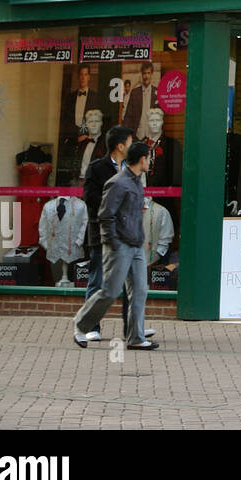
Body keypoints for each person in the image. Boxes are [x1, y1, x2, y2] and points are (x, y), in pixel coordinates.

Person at [72, 143, 158, 350]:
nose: (150, 161)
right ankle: (81, 326)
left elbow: (126, 212)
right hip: (120, 246)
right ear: (141, 159)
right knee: (110, 292)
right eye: (148, 157)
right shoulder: (118, 183)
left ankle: (136, 338)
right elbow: (105, 215)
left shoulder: (137, 182)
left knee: (139, 291)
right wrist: (113, 242)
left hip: (135, 245)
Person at [80, 125, 133, 341]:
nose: (133, 146)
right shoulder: (96, 168)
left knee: (131, 282)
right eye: (130, 142)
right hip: (102, 232)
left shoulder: (132, 169)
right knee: (98, 280)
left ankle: (132, 328)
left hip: (127, 233)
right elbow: (90, 199)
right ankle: (91, 326)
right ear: (120, 146)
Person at [123, 63, 157, 140]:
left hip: (152, 136)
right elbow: (128, 116)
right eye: (144, 73)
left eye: (148, 73)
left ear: (152, 74)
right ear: (141, 74)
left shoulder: (157, 92)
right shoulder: (135, 93)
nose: (146, 76)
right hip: (137, 136)